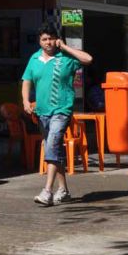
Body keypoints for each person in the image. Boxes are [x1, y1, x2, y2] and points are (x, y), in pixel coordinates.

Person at [21, 23, 94, 206]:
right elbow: (26, 81)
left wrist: (65, 47)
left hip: (61, 110)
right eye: (44, 39)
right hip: (42, 111)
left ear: (57, 39)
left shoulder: (66, 57)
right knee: (55, 148)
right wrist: (25, 101)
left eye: (51, 39)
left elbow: (88, 59)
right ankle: (64, 190)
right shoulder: (34, 58)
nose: (48, 42)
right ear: (39, 41)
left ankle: (47, 191)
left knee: (52, 144)